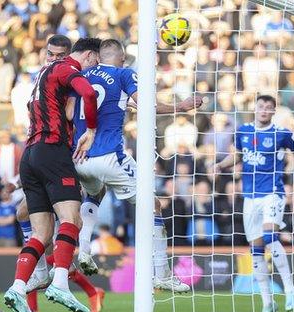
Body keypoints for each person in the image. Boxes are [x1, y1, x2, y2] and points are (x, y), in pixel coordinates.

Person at [71, 39, 202, 292]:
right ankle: (162, 274)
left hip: (80, 158)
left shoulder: (83, 75)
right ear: (121, 58)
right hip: (110, 156)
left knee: (94, 193)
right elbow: (146, 106)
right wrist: (181, 106)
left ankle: (85, 250)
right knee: (153, 205)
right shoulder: (123, 74)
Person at [4, 37, 100, 312]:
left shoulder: (40, 77)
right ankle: (60, 282)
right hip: (52, 151)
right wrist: (92, 129)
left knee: (41, 232)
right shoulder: (66, 66)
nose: (91, 68)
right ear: (86, 55)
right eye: (93, 62)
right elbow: (90, 93)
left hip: (30, 155)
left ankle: (18, 287)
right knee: (73, 218)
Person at [215, 95, 294, 312]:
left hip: (272, 194)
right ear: (255, 109)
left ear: (273, 111)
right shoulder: (243, 131)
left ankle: (290, 290)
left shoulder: (281, 134)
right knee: (256, 250)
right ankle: (267, 302)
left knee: (270, 237)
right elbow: (235, 157)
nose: (264, 110)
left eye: (269, 108)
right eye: (261, 107)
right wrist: (219, 165)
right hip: (250, 198)